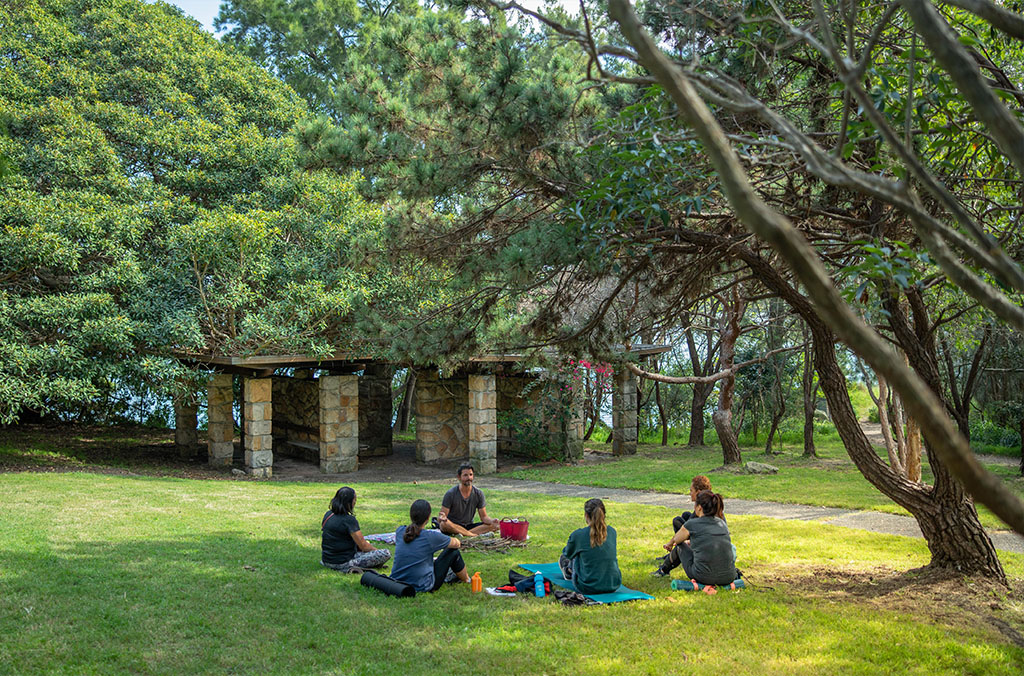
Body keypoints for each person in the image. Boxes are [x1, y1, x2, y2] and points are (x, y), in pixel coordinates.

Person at [652, 490, 737, 585]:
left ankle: (663, 570)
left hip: (704, 577)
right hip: (729, 577)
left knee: (680, 545)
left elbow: (677, 539)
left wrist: (672, 543)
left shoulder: (692, 524)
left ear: (699, 508)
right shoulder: (722, 523)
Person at [391, 499, 471, 592]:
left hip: (397, 581)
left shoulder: (400, 530)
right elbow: (456, 544)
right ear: (428, 518)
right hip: (422, 585)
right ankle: (467, 580)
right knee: (453, 552)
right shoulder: (430, 537)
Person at [557, 498, 622, 595]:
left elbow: (567, 553)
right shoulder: (612, 532)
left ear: (586, 515)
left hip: (587, 587)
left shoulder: (578, 535)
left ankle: (568, 571)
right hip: (613, 584)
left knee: (569, 557)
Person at [321, 486, 391, 573]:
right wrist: (376, 551)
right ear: (349, 502)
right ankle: (350, 568)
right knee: (385, 553)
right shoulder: (349, 520)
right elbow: (363, 546)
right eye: (354, 499)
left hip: (326, 560)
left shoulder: (328, 514)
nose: (355, 502)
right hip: (342, 562)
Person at [438, 464, 499, 536]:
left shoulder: (478, 493)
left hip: (469, 526)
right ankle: (472, 535)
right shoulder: (451, 494)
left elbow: (484, 517)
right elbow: (441, 518)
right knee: (443, 524)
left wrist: (492, 521)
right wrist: (442, 517)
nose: (469, 478)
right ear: (459, 477)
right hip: (453, 525)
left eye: (471, 475)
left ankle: (463, 534)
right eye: (465, 475)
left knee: (494, 526)